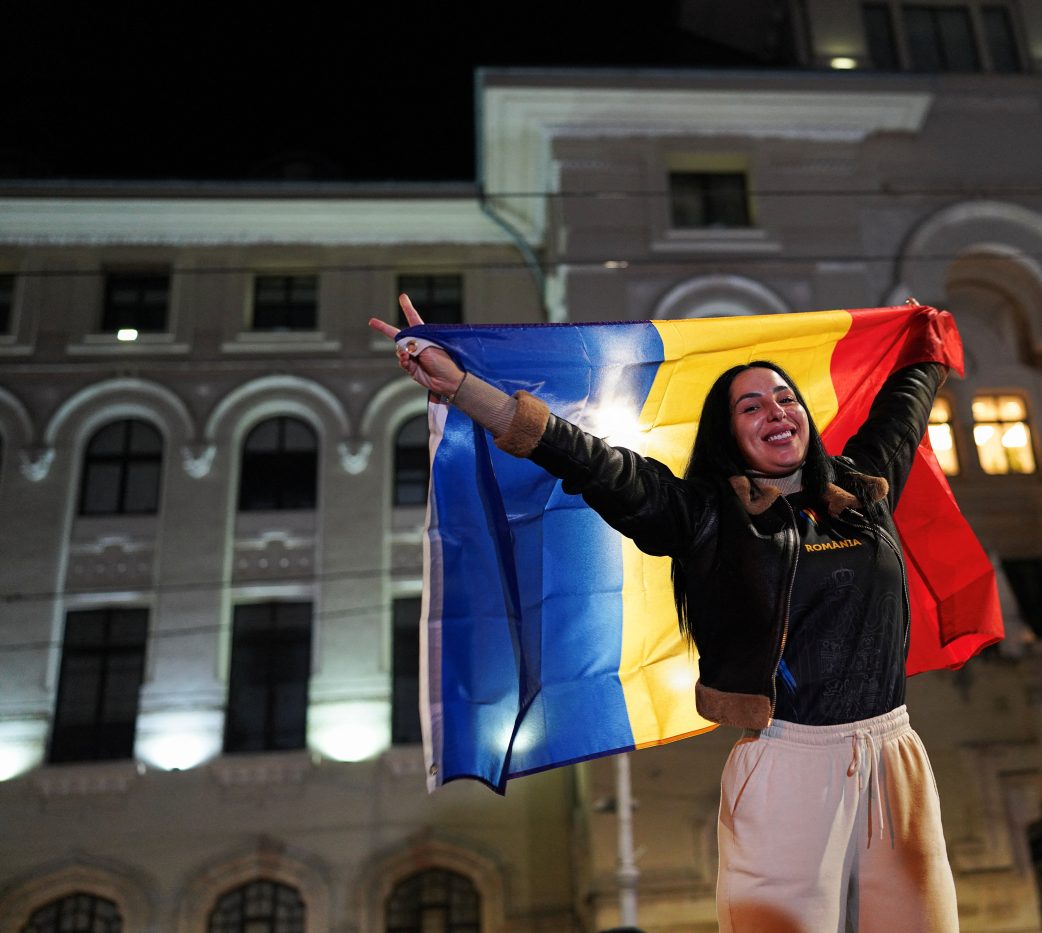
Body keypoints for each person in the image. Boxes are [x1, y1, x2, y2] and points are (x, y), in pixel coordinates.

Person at [371, 295, 964, 932]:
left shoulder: (861, 493)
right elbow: (584, 458)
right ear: (730, 434)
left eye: (785, 397)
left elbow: (903, 413)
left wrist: (929, 335)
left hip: (895, 751)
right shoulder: (703, 514)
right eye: (751, 405)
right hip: (790, 765)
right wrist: (461, 387)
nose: (775, 411)